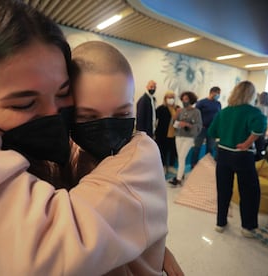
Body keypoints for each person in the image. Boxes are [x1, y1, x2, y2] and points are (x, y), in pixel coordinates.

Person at [0, 1, 167, 275]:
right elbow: (53, 250)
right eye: (24, 104)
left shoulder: (62, 152)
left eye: (62, 93)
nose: (54, 114)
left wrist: (143, 237)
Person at [70, 40, 183, 276]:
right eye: (88, 116)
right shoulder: (74, 148)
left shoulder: (141, 152)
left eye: (122, 114)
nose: (108, 128)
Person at [208, 81, 266, 238]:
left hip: (223, 155)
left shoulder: (224, 112)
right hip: (242, 155)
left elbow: (212, 132)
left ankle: (220, 223)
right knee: (249, 192)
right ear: (251, 94)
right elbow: (261, 126)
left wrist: (228, 134)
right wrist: (247, 143)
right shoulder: (253, 112)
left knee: (223, 189)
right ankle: (247, 227)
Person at [168, 91, 202, 186]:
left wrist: (188, 125)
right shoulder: (180, 111)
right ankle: (181, 175)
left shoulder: (196, 112)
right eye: (183, 99)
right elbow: (172, 124)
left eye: (186, 99)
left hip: (189, 138)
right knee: (180, 157)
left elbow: (199, 126)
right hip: (178, 136)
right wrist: (176, 115)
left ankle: (178, 179)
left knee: (182, 157)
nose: (184, 100)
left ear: (191, 100)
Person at [191, 86, 221, 167]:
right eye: (217, 93)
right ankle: (194, 164)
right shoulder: (201, 103)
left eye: (219, 94)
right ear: (212, 92)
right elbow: (195, 115)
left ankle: (208, 164)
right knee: (197, 147)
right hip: (202, 128)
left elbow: (219, 115)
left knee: (210, 148)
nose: (218, 95)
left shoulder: (218, 104)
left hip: (212, 129)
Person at [155, 90, 178, 174]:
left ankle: (171, 166)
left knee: (173, 151)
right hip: (162, 134)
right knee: (163, 151)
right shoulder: (161, 108)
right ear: (165, 98)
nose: (171, 99)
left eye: (172, 97)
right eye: (169, 97)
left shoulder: (177, 108)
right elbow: (154, 119)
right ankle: (163, 167)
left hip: (174, 135)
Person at [254, 91, 268, 160]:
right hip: (264, 126)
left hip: (257, 125)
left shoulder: (258, 107)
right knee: (261, 141)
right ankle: (259, 156)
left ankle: (256, 155)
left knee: (255, 140)